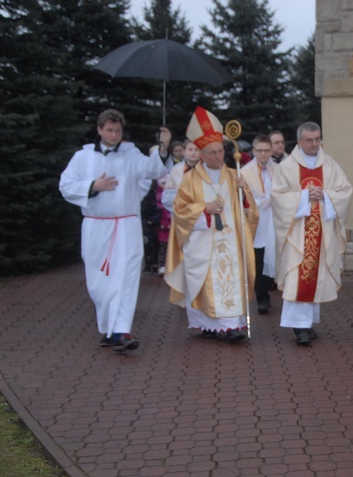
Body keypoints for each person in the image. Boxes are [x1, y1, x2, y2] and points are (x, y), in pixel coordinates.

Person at [59, 109, 171, 352]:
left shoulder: (132, 155)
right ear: (99, 130)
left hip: (126, 226)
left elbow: (151, 171)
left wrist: (162, 148)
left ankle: (121, 331)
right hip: (95, 226)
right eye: (109, 130)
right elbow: (65, 186)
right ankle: (110, 329)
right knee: (98, 284)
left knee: (125, 277)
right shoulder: (83, 157)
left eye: (117, 130)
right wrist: (92, 186)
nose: (113, 134)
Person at [164, 107, 258, 342]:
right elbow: (180, 210)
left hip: (230, 242)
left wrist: (243, 192)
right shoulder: (190, 180)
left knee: (229, 279)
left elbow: (249, 210)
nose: (218, 157)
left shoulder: (232, 175)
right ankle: (206, 325)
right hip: (202, 242)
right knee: (204, 282)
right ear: (202, 155)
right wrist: (203, 209)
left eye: (220, 152)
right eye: (212, 153)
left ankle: (231, 326)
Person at [270, 122, 353, 346]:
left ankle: (308, 323)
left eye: (318, 139)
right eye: (309, 139)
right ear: (299, 141)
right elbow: (277, 198)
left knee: (317, 275)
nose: (315, 143)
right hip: (297, 234)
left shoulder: (330, 165)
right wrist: (305, 196)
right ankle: (300, 328)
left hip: (322, 232)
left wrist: (325, 195)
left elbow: (345, 191)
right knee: (299, 276)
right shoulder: (286, 167)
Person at [241, 134, 279, 314]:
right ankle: (261, 296)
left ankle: (272, 287)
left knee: (271, 255)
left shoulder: (279, 169)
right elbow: (242, 197)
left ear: (271, 151)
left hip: (274, 218)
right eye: (259, 151)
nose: (263, 154)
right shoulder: (245, 172)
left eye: (266, 151)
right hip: (256, 220)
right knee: (258, 257)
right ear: (254, 151)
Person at [162, 139, 200, 213]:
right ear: (184, 152)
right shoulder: (175, 170)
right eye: (190, 149)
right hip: (182, 213)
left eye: (196, 150)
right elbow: (166, 197)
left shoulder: (206, 169)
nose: (193, 152)